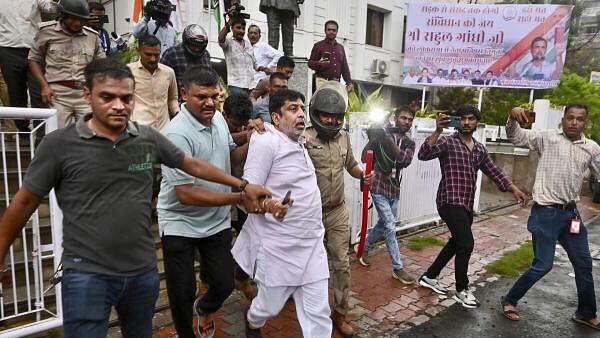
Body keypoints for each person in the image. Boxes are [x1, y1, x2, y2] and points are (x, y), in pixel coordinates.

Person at [0, 58, 269, 338]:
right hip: (87, 275)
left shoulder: (146, 138)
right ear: (87, 95)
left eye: (126, 97)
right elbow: (23, 203)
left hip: (141, 273)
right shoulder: (59, 144)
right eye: (107, 96)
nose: (118, 105)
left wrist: (243, 184)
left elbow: (194, 165)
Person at [157, 65, 274, 338]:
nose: (209, 102)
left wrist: (252, 136)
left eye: (214, 96)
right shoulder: (176, 134)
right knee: (182, 292)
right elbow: (186, 194)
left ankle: (204, 308)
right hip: (179, 224)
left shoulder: (218, 119)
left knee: (223, 283)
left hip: (216, 222)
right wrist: (240, 196)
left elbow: (231, 154)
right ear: (184, 94)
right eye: (201, 97)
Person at [233, 89, 332, 338]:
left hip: (311, 245)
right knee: (269, 307)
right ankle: (252, 321)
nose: (300, 114)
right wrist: (271, 206)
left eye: (301, 108)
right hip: (279, 248)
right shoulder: (266, 141)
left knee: (318, 313)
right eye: (292, 109)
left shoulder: (299, 140)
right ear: (276, 118)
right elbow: (249, 194)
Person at [417, 104, 528, 308]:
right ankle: (462, 289)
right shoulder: (447, 143)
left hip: (466, 205)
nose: (467, 122)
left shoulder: (479, 149)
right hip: (449, 201)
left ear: (477, 122)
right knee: (466, 244)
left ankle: (430, 276)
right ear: (458, 121)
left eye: (471, 119)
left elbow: (494, 171)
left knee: (457, 243)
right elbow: (424, 154)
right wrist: (437, 130)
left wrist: (514, 189)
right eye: (463, 118)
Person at [500, 104, 600, 330]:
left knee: (584, 264)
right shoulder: (546, 138)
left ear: (585, 122)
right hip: (545, 213)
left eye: (580, 119)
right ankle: (510, 299)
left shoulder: (591, 148)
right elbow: (516, 137)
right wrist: (512, 117)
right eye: (570, 118)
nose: (574, 122)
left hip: (571, 215)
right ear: (563, 120)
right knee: (543, 265)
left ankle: (586, 313)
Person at [305, 82, 372, 337]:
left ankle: (340, 314)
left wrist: (362, 175)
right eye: (326, 115)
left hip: (337, 211)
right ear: (316, 113)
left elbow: (352, 164)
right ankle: (310, 310)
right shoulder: (305, 137)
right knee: (311, 266)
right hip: (309, 214)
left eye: (336, 116)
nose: (332, 121)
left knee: (341, 264)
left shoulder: (343, 136)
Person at [358, 107, 417, 285]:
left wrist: (386, 138)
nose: (406, 121)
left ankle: (363, 248)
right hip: (378, 187)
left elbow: (403, 161)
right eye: (403, 118)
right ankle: (398, 268)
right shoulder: (382, 135)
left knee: (383, 224)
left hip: (394, 189)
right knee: (390, 226)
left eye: (409, 119)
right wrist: (374, 138)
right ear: (395, 118)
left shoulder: (409, 143)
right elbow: (363, 157)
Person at [28, 0, 105, 128]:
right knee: (59, 136)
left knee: (90, 133)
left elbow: (102, 65)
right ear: (63, 16)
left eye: (82, 20)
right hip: (57, 94)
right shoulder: (46, 32)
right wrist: (44, 86)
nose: (78, 23)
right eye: (73, 19)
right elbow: (34, 59)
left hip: (85, 94)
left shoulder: (93, 36)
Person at [0, 0, 56, 136]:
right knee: (15, 92)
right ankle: (23, 130)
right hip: (8, 48)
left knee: (38, 91)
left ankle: (41, 133)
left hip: (34, 48)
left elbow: (51, 8)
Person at [128, 34, 178, 130]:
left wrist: (177, 112)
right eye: (148, 54)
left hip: (165, 131)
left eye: (156, 55)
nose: (153, 59)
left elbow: (172, 98)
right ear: (138, 51)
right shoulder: (128, 72)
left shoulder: (169, 72)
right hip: (139, 131)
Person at [219, 17, 271, 97]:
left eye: (243, 28)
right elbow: (220, 39)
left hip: (250, 88)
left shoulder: (248, 44)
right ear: (232, 28)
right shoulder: (228, 42)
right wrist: (229, 23)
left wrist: (264, 69)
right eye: (238, 28)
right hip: (235, 87)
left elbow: (255, 64)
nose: (241, 31)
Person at [160, 24, 211, 99]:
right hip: (178, 102)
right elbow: (160, 80)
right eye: (194, 46)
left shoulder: (206, 55)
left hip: (201, 102)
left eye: (200, 47)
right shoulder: (172, 54)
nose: (197, 49)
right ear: (186, 42)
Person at [308, 20, 353, 91]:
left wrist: (349, 82)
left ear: (337, 32)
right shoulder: (318, 46)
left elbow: (344, 67)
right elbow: (310, 63)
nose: (331, 32)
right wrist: (319, 63)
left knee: (334, 102)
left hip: (336, 83)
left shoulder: (340, 48)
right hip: (322, 81)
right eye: (329, 30)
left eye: (334, 30)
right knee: (322, 102)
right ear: (325, 30)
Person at [248, 24, 282, 89]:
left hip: (260, 84)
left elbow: (278, 56)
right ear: (247, 35)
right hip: (249, 85)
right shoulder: (247, 47)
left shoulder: (263, 46)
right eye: (251, 33)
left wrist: (268, 67)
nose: (252, 35)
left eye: (255, 33)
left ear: (259, 36)